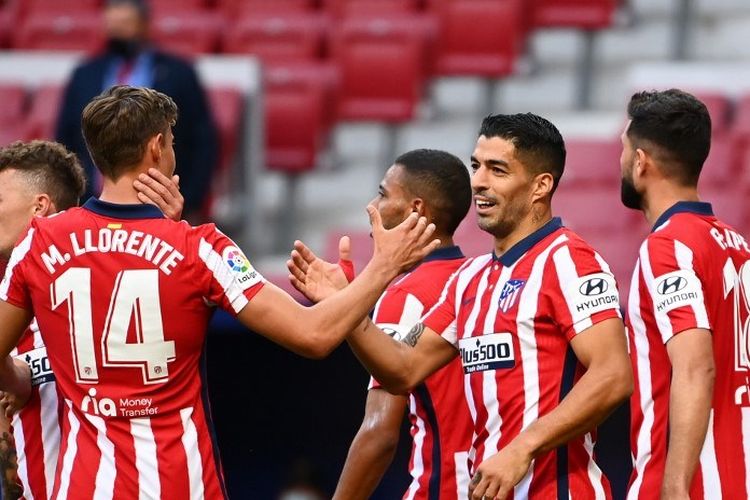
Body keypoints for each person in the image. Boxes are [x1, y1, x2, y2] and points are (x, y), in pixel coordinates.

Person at [0, 85, 438, 498]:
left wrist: (21, 380)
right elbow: (314, 335)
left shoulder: (40, 242)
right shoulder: (199, 248)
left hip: (83, 484)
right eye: (171, 141)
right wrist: (384, 266)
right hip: (180, 483)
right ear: (156, 147)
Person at [290, 113, 634, 499]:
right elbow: (403, 369)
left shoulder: (569, 261)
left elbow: (614, 375)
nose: (479, 182)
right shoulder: (468, 280)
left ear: (541, 185)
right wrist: (347, 306)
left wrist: (523, 447)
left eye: (497, 170)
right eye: (476, 166)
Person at [0, 139, 185, 500]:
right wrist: (14, 375)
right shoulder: (7, 313)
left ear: (40, 207)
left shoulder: (108, 288)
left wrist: (169, 233)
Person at [622, 89, 750, 499]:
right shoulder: (737, 244)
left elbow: (696, 368)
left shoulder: (668, 248)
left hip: (697, 483)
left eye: (624, 151)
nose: (620, 162)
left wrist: (674, 487)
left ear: (640, 162)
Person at [333, 149, 473, 500]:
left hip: (443, 489)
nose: (372, 206)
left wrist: (343, 303)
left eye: (382, 194)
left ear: (416, 210)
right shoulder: (479, 279)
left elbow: (379, 431)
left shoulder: (406, 294)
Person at [55, 0, 219, 220]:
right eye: (113, 25)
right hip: (93, 205)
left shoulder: (179, 73)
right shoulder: (85, 73)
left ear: (144, 25)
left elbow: (203, 139)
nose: (118, 32)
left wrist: (189, 198)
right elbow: (66, 135)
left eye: (125, 24)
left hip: (161, 204)